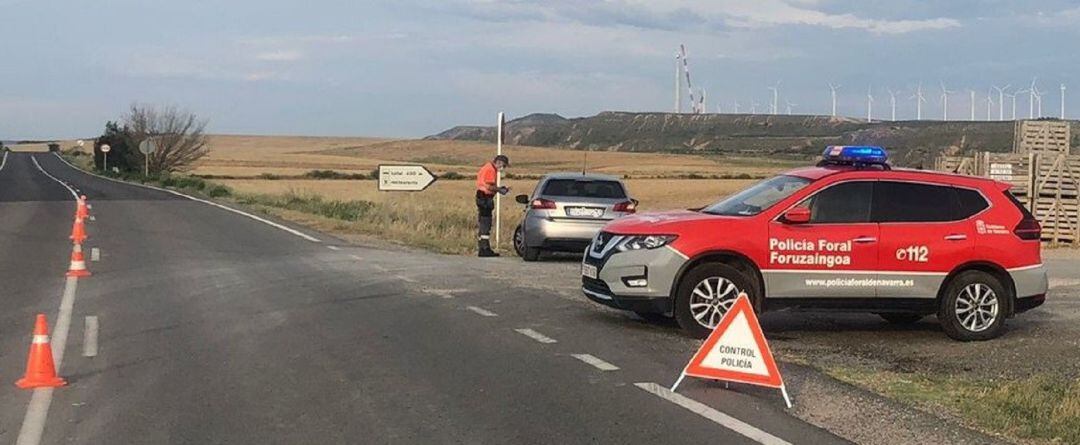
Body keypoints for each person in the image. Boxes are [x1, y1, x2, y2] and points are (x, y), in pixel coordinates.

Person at [475, 155, 510, 257]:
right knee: (486, 222)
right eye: (503, 165)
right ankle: (485, 249)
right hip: (485, 197)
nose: (503, 168)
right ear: (499, 162)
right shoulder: (491, 169)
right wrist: (500, 190)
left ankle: (482, 247)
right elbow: (489, 186)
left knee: (482, 222)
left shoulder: (486, 167)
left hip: (481, 196)